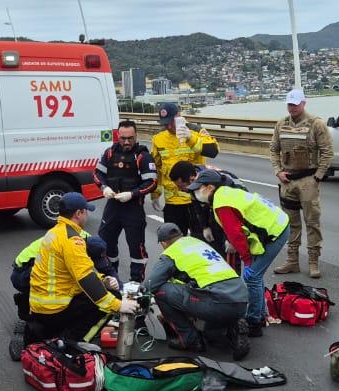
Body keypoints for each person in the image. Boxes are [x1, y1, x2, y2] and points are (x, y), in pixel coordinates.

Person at [187, 169, 290, 339]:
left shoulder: (221, 203)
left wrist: (247, 259)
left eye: (199, 188)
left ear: (210, 187)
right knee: (255, 275)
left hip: (275, 232)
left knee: (252, 277)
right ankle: (261, 313)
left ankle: (254, 322)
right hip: (275, 225)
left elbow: (236, 235)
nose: (197, 192)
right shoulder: (225, 192)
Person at [28, 193, 137, 343]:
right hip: (54, 308)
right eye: (86, 211)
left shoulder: (55, 232)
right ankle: (71, 342)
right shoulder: (71, 240)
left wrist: (103, 280)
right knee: (110, 300)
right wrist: (118, 305)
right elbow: (86, 279)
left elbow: (81, 270)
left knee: (100, 291)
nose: (87, 215)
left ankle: (59, 335)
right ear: (78, 213)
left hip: (41, 306)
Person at [143, 222, 250, 360]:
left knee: (162, 291)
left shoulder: (171, 252)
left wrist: (136, 297)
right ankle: (233, 328)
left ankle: (190, 340)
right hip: (240, 299)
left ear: (163, 243)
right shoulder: (196, 242)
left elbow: (150, 285)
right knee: (211, 334)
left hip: (216, 302)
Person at [270, 87, 334, 279]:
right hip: (287, 181)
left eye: (295, 104)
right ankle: (292, 261)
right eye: (289, 104)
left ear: (303, 103)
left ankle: (313, 262)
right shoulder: (281, 124)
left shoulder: (316, 124)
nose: (292, 108)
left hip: (308, 180)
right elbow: (273, 149)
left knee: (312, 222)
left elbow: (327, 151)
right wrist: (278, 171)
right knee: (290, 223)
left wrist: (318, 177)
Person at [94, 120, 157, 280]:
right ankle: (111, 278)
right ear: (118, 136)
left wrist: (132, 194)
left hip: (133, 208)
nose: (127, 142)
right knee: (105, 244)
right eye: (123, 138)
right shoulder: (109, 153)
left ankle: (135, 283)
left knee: (137, 248)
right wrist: (104, 187)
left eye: (130, 138)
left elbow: (152, 182)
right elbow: (97, 174)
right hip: (113, 206)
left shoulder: (143, 156)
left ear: (136, 136)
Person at [150, 101, 219, 237]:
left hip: (197, 200)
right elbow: (157, 168)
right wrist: (155, 194)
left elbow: (213, 151)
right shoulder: (158, 138)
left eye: (171, 122)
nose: (169, 126)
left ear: (180, 116)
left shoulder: (196, 131)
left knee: (201, 241)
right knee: (174, 242)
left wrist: (190, 138)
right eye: (165, 123)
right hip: (173, 204)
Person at [168, 160, 243, 257]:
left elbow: (230, 218)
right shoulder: (192, 175)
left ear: (191, 180)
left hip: (235, 207)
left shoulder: (217, 183)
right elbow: (197, 204)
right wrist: (205, 226)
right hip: (215, 203)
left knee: (229, 249)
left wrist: (230, 239)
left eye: (180, 186)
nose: (179, 190)